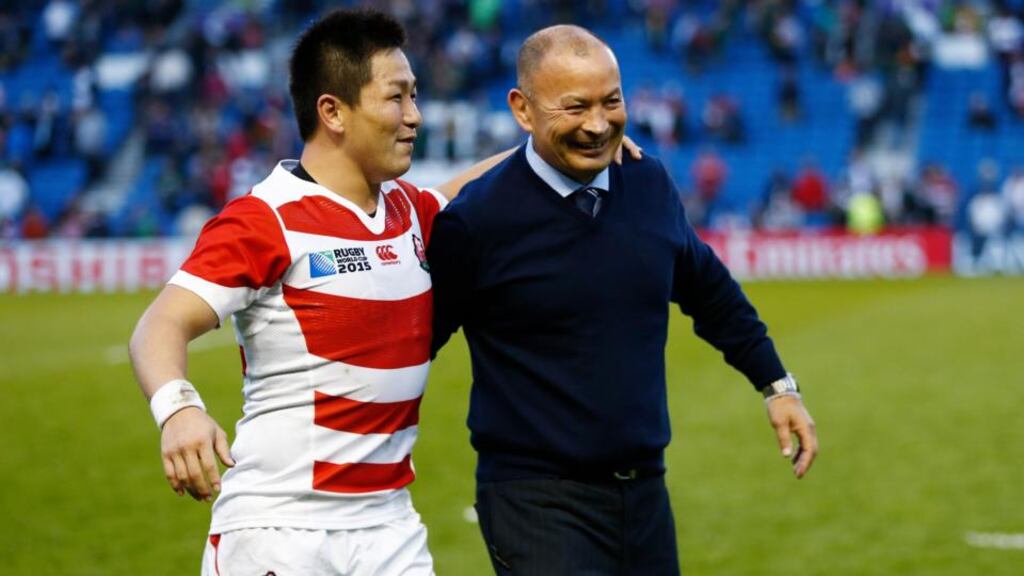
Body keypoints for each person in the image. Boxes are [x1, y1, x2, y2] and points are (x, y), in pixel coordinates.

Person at [128, 9, 515, 575]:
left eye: (415, 96)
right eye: (396, 98)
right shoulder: (266, 219)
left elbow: (470, 188)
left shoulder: (407, 210)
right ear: (332, 111)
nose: (415, 116)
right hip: (280, 530)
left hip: (390, 525)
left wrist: (552, 149)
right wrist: (178, 410)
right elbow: (159, 324)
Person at [428, 25, 819, 575]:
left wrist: (777, 386)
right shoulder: (477, 221)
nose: (597, 124)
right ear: (523, 109)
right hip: (535, 500)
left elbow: (710, 293)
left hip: (644, 493)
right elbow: (413, 343)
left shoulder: (647, 183)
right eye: (575, 106)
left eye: (611, 101)